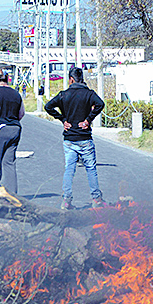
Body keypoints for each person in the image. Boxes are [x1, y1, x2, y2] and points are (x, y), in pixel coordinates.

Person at [45, 66, 106, 209]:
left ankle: (66, 200)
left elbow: (48, 106)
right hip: (85, 138)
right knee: (91, 169)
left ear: (71, 79)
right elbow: (100, 104)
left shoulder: (63, 95)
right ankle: (96, 199)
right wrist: (88, 119)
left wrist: (62, 119)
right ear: (81, 79)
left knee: (69, 169)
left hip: (69, 139)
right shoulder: (89, 94)